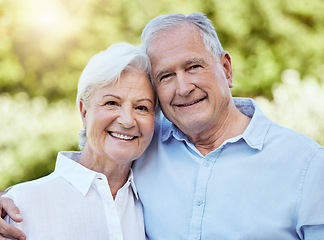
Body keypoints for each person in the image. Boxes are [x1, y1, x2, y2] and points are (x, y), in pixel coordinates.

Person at [1, 12, 324, 240]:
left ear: (225, 68)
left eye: (193, 66)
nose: (182, 87)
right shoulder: (146, 145)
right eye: (166, 76)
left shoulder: (306, 164)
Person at [0, 42, 156, 240]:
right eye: (111, 103)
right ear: (84, 112)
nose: (127, 120)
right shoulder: (20, 205)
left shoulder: (155, 204)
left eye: (142, 107)